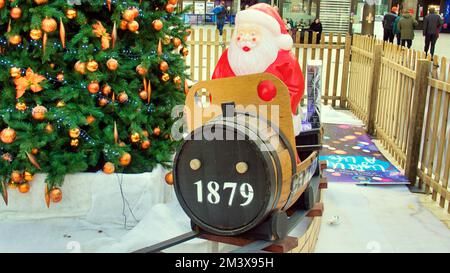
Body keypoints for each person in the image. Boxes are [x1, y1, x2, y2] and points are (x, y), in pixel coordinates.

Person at [212, 3, 305, 134]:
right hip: (233, 121)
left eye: (252, 33)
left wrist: (282, 113)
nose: (245, 38)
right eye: (241, 33)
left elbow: (295, 88)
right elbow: (216, 86)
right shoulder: (228, 57)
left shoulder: (285, 60)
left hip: (272, 122)